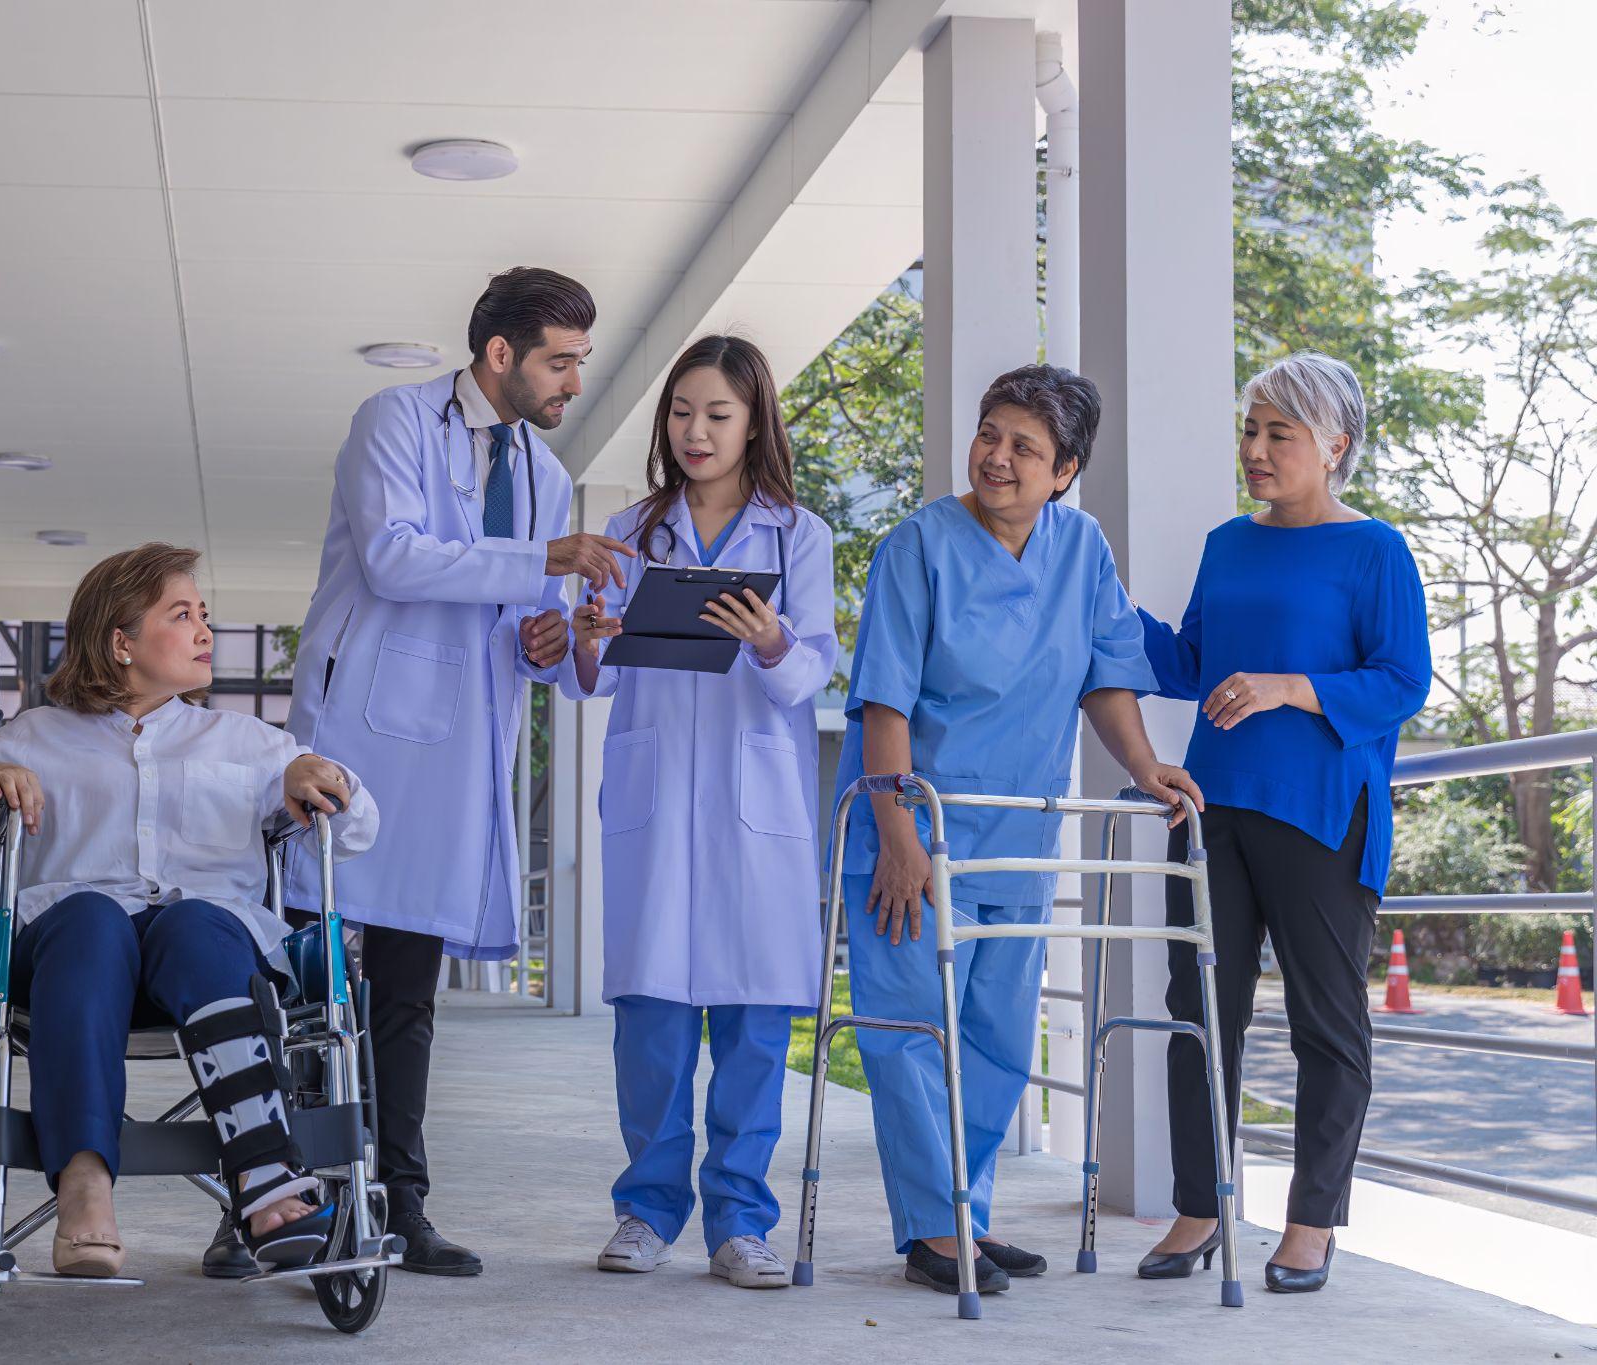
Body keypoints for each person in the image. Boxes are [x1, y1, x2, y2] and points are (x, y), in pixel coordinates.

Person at [0, 544, 379, 1279]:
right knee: (93, 916)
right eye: (181, 614)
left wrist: (324, 776)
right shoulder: (31, 738)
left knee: (196, 921)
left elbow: (356, 830)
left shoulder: (252, 746)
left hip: (204, 956)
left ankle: (260, 1173)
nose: (204, 631)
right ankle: (85, 1183)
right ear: (120, 641)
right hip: (70, 961)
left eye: (205, 615)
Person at [284, 267, 628, 1276]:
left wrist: (546, 637)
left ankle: (401, 1202)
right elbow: (394, 558)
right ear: (498, 356)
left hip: (457, 755)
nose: (571, 382)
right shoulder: (392, 419)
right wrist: (541, 564)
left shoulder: (546, 477)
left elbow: (525, 633)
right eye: (559, 361)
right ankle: (286, 1200)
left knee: (405, 996)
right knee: (314, 991)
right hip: (361, 737)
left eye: (577, 363)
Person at [833, 364, 1202, 1295]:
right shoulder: (916, 545)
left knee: (997, 1032)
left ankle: (967, 1211)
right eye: (989, 434)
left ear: (1065, 468)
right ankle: (933, 1229)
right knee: (912, 1029)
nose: (997, 457)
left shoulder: (1082, 549)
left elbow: (1106, 676)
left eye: (1024, 447)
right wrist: (898, 832)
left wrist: (1143, 762)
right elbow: (883, 703)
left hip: (1019, 831)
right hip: (913, 827)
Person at [1136, 352, 1428, 1295]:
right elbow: (1188, 661)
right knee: (1199, 1011)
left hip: (1320, 815)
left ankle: (1312, 1221)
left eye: (1278, 433)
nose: (1255, 450)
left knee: (1325, 1025)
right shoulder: (1228, 544)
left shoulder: (1374, 550)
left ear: (1334, 444)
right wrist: (1095, 595)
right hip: (1213, 808)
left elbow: (1401, 679)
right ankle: (1201, 1204)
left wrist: (1290, 687)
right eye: (1250, 430)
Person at [565, 335, 836, 1289]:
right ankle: (644, 1212)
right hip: (657, 804)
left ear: (755, 419)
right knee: (652, 1025)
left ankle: (739, 1222)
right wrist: (589, 637)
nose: (696, 431)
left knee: (757, 1027)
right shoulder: (631, 530)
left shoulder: (797, 535)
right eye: (681, 412)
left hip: (756, 806)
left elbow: (813, 674)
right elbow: (583, 676)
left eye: (717, 414)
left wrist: (771, 641)